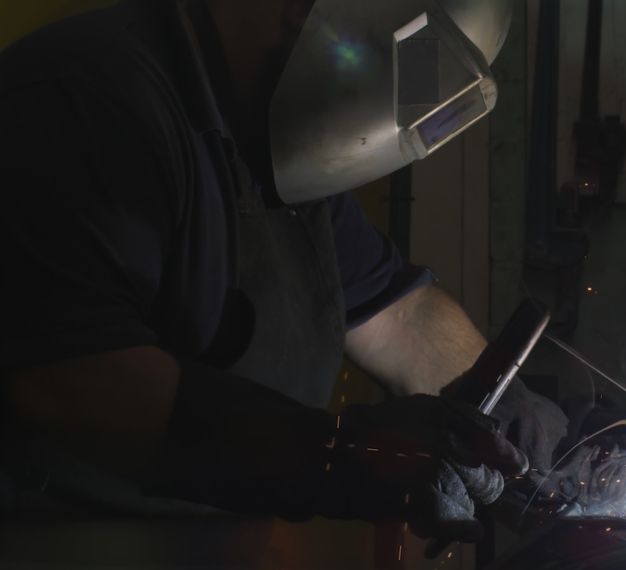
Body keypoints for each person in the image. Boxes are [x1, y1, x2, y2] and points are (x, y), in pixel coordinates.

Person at [0, 0, 567, 544]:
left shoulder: (270, 139)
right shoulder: (87, 96)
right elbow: (73, 386)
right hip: (53, 542)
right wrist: (335, 457)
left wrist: (512, 424)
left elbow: (400, 317)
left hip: (202, 545)